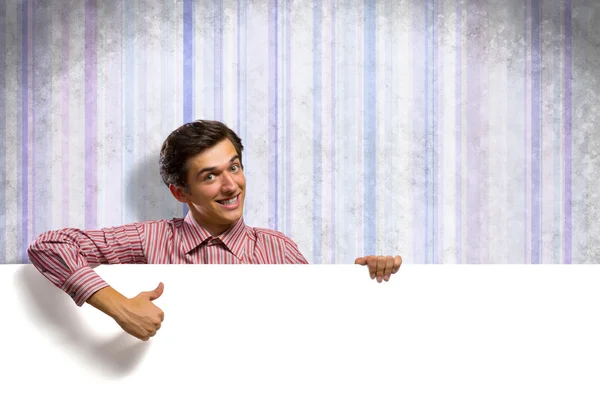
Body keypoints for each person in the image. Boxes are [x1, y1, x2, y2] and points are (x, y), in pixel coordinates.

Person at [28, 120, 403, 341]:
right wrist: (118, 306)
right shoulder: (150, 239)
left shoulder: (279, 249)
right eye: (210, 176)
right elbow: (49, 245)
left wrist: (368, 281)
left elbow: (318, 327)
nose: (231, 186)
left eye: (234, 168)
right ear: (180, 192)